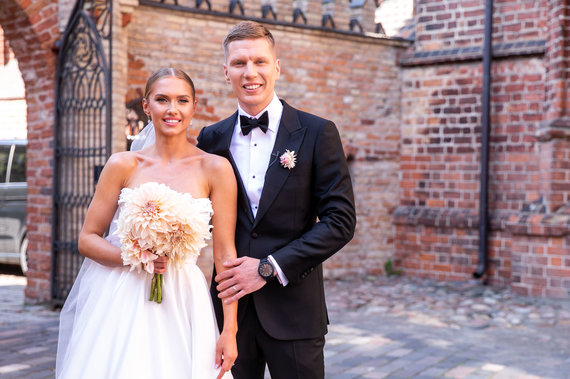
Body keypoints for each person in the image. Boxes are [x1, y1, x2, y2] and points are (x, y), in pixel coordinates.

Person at [56, 68, 238, 379]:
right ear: (146, 106)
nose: (172, 109)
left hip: (184, 299)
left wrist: (230, 329)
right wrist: (136, 258)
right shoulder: (122, 165)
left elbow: (225, 255)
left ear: (194, 106)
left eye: (182, 100)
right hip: (122, 296)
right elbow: (87, 239)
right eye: (162, 100)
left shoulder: (215, 169)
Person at [197, 21, 356, 378]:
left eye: (260, 61)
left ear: (277, 67)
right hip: (230, 312)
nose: (249, 72)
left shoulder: (317, 133)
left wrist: (268, 268)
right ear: (226, 72)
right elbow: (199, 216)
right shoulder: (211, 138)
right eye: (239, 63)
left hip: (295, 309)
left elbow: (340, 222)